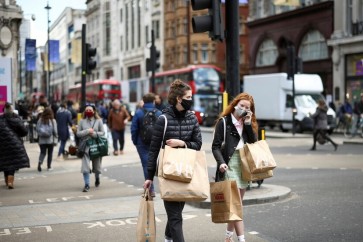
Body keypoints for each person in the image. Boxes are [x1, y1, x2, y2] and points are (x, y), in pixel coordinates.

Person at [143, 79, 202, 242]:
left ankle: (168, 237)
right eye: (189, 97)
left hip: (186, 171)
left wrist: (182, 143)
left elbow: (198, 144)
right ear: (179, 98)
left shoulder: (192, 118)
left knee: (176, 212)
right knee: (175, 216)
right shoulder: (163, 119)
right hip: (168, 172)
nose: (191, 100)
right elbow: (153, 150)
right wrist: (149, 177)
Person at [211, 92, 258, 242]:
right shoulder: (223, 122)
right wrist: (221, 162)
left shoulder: (247, 123)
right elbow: (215, 147)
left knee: (237, 205)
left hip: (243, 165)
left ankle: (228, 237)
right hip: (229, 164)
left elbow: (253, 142)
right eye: (241, 105)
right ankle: (242, 239)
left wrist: (249, 123)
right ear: (235, 104)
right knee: (236, 206)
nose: (243, 108)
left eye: (247, 107)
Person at [131, 93, 162, 197]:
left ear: (143, 101)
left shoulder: (139, 113)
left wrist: (135, 141)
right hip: (155, 142)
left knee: (146, 165)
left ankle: (151, 189)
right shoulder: (158, 113)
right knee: (154, 163)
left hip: (142, 143)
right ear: (153, 101)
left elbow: (134, 129)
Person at [0, 103, 30, 189]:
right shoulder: (16, 119)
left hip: (2, 145)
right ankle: (10, 181)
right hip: (15, 144)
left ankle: (7, 179)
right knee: (12, 162)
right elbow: (24, 132)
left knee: (6, 161)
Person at [77, 104, 105, 192]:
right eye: (86, 110)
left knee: (96, 166)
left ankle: (97, 178)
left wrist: (95, 134)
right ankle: (87, 184)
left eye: (90, 110)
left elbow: (102, 133)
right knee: (85, 167)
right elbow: (78, 134)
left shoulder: (99, 121)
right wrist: (87, 131)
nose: (88, 112)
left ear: (94, 111)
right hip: (85, 146)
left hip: (95, 145)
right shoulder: (81, 121)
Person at [36, 107, 58, 171]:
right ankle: (49, 166)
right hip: (50, 140)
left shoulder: (40, 120)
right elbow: (55, 131)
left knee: (42, 152)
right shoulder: (53, 120)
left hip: (42, 140)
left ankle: (40, 163)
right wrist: (56, 138)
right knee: (50, 153)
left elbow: (37, 129)